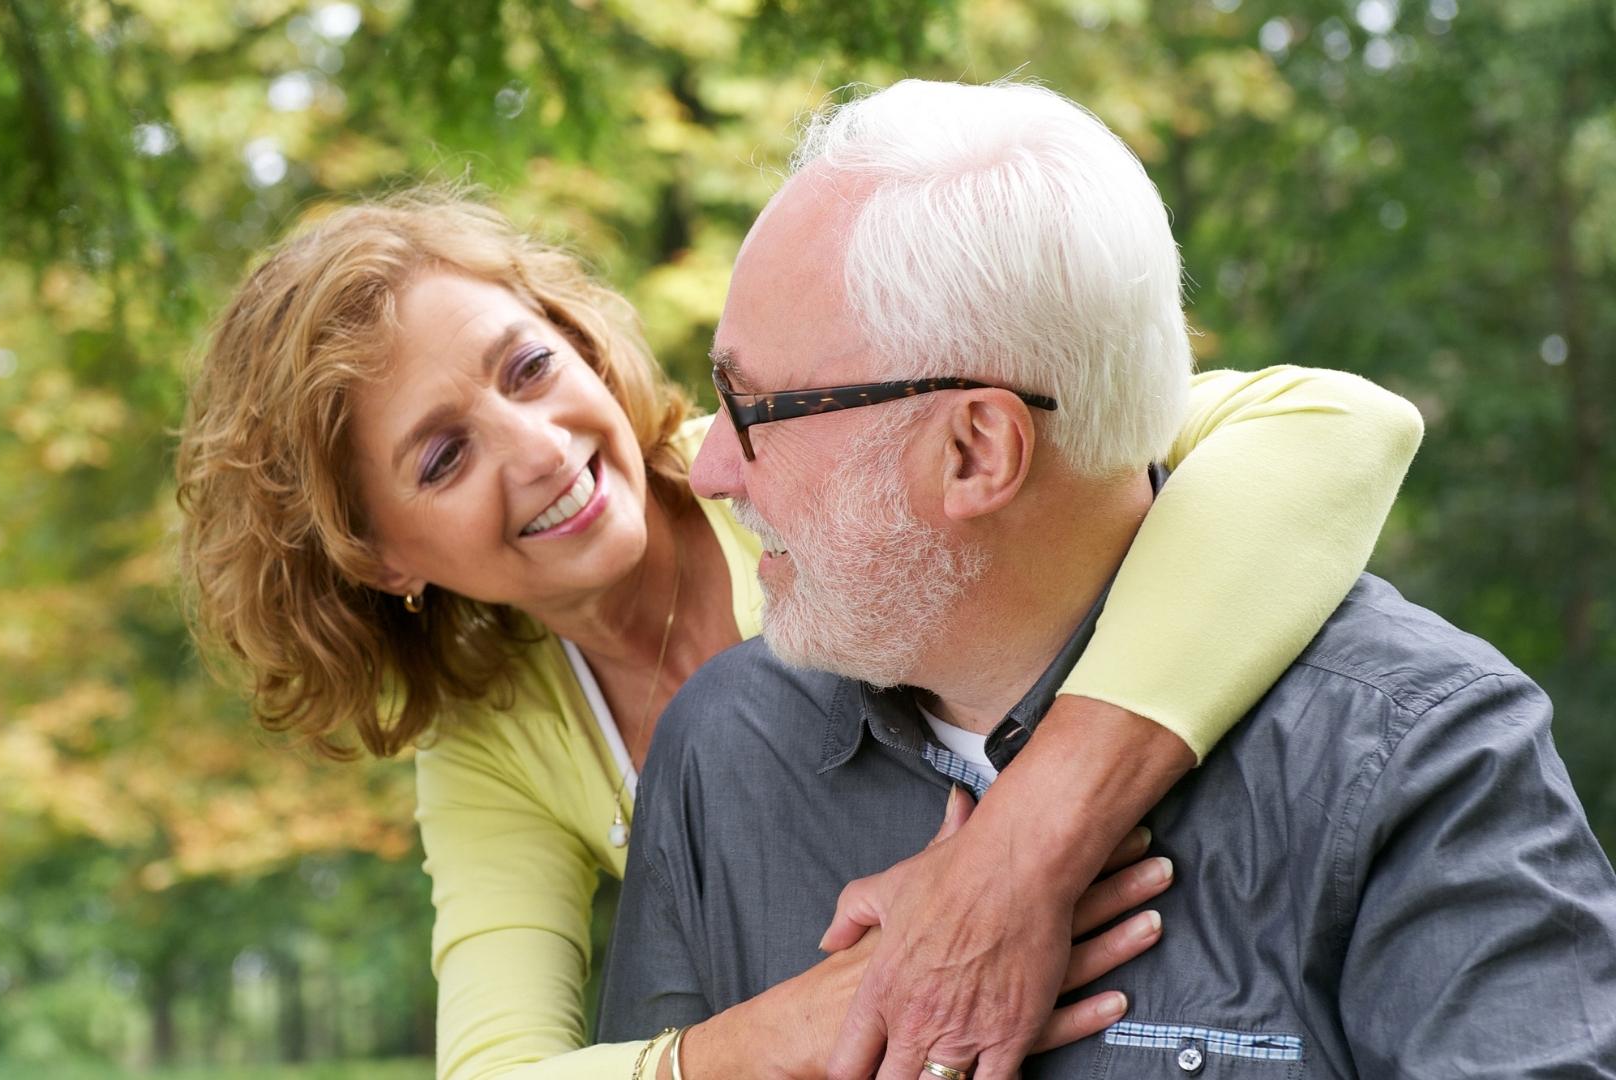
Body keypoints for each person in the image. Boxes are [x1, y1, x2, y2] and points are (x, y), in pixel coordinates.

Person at [173, 168, 1424, 1075]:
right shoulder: (496, 735)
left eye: (527, 367)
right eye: (442, 457)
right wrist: (809, 1018)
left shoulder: (803, 458)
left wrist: (1021, 850)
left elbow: (1340, 427)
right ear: (379, 554)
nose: (540, 447)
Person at [598, 78, 1616, 1080]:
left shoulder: (1416, 757)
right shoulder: (725, 745)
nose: (713, 469)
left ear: (975, 452)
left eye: (755, 409)